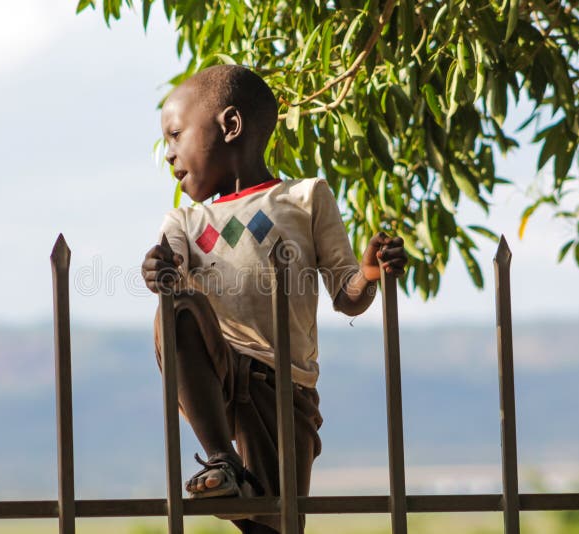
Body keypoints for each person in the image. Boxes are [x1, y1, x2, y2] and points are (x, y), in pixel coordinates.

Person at [141, 64, 407, 533]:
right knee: (178, 309)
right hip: (218, 379)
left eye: (176, 135)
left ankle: (235, 482)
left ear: (230, 127)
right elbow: (171, 270)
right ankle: (220, 458)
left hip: (284, 389)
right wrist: (159, 270)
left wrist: (368, 274)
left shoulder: (306, 197)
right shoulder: (183, 220)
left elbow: (346, 297)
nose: (168, 154)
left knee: (274, 522)